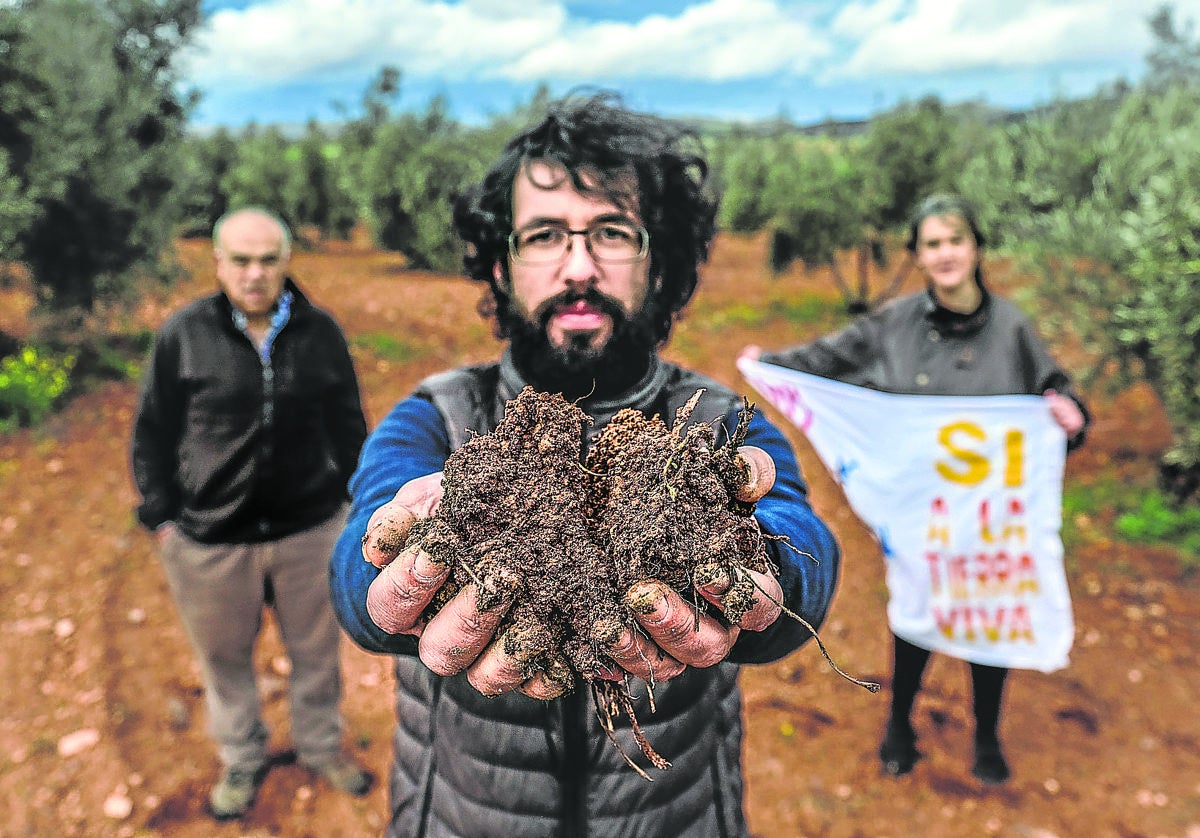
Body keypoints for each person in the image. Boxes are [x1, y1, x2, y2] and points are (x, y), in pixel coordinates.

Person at [329, 93, 841, 838]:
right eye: (543, 235)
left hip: (676, 814)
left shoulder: (712, 423)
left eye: (611, 232)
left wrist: (773, 577)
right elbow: (357, 554)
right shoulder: (438, 417)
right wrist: (383, 576)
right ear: (500, 268)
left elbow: (798, 530)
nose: (578, 265)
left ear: (657, 262)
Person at [742, 193, 1090, 785]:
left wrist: (1071, 414)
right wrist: (766, 365)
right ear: (919, 255)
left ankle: (986, 737)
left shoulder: (1012, 328)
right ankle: (898, 724)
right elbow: (823, 359)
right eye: (932, 244)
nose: (946, 253)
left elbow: (1055, 390)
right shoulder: (894, 325)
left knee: (989, 619)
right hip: (919, 513)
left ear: (976, 247)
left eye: (955, 240)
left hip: (991, 516)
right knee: (916, 612)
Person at [130, 207, 374, 820]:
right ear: (218, 262)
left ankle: (320, 747)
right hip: (212, 539)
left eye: (268, 259)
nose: (255, 273)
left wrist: (353, 504)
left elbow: (349, 424)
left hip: (308, 530)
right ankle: (242, 758)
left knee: (317, 654)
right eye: (241, 259)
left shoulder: (321, 333)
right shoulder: (183, 334)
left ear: (286, 261)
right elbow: (152, 431)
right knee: (225, 662)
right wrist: (163, 516)